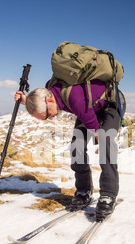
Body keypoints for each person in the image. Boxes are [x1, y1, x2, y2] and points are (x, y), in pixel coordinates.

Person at [15, 79, 125, 222]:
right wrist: (27, 100)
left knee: (105, 141)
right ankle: (83, 191)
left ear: (49, 100)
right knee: (77, 146)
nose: (51, 118)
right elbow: (39, 99)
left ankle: (108, 195)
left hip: (110, 104)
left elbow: (95, 129)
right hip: (89, 107)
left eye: (48, 115)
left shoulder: (75, 99)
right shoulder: (50, 89)